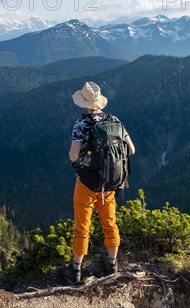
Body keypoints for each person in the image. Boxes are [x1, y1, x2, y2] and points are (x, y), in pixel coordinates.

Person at [61, 81, 136, 283]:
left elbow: (73, 155)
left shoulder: (81, 124)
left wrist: (83, 163)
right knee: (110, 224)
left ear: (84, 103)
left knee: (82, 227)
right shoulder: (116, 121)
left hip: (86, 183)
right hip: (109, 184)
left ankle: (75, 270)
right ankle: (112, 263)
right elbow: (131, 150)